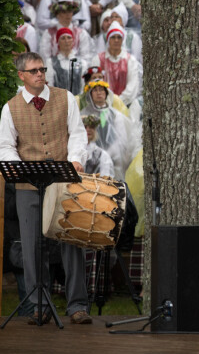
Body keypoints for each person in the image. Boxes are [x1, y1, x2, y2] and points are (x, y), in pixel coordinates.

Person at [0, 52, 93, 325]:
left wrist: (76, 159)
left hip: (63, 182)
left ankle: (77, 305)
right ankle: (38, 306)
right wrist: (17, 167)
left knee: (70, 241)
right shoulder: (10, 108)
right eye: (33, 71)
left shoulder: (66, 98)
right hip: (28, 185)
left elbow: (76, 132)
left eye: (42, 69)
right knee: (31, 245)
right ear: (22, 76)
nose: (40, 74)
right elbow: (6, 145)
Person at [79, 79, 135, 180]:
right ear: (90, 94)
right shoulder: (83, 113)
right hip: (89, 159)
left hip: (113, 160)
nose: (99, 92)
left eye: (101, 90)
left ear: (106, 93)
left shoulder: (115, 115)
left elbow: (121, 140)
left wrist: (107, 155)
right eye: (95, 90)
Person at [90, 21, 141, 107]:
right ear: (108, 39)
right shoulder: (98, 59)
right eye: (113, 37)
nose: (116, 40)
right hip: (102, 105)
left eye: (119, 37)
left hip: (125, 105)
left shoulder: (130, 60)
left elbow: (132, 86)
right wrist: (106, 101)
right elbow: (93, 82)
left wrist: (118, 101)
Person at [38, 0, 94, 65]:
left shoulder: (81, 33)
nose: (68, 15)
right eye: (64, 12)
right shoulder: (48, 33)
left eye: (70, 11)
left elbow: (86, 56)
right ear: (57, 15)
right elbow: (45, 57)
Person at [44, 26, 88, 95]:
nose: (66, 41)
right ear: (58, 42)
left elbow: (83, 85)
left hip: (77, 101)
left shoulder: (82, 63)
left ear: (73, 41)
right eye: (63, 38)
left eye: (69, 38)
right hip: (58, 101)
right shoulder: (51, 62)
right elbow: (49, 84)